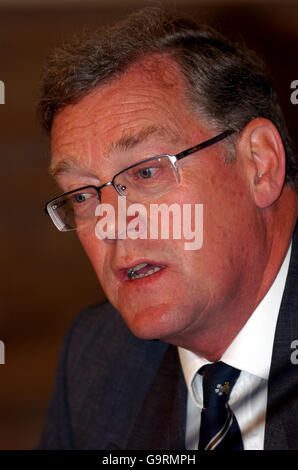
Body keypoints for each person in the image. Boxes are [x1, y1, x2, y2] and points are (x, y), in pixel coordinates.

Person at [37, 7, 298, 450]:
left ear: (260, 164)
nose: (111, 224)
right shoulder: (96, 362)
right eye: (82, 196)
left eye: (145, 173)